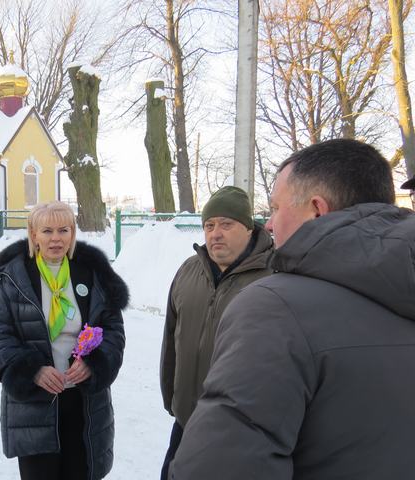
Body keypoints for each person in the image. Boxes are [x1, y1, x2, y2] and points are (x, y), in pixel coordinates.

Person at [170, 138, 415, 479]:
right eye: (209, 225)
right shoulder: (400, 285)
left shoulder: (274, 305)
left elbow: (222, 464)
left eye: (275, 209)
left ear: (317, 210)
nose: (269, 224)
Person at [0, 201, 127, 480]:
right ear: (33, 234)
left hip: (83, 401)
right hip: (34, 404)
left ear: (73, 233)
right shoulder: (16, 276)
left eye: (64, 230)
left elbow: (113, 329)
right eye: (47, 231)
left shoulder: (91, 272)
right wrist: (32, 370)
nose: (56, 238)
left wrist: (94, 364)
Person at [159, 186, 274, 479]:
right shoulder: (188, 271)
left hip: (241, 434)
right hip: (186, 423)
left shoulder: (274, 277)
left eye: (226, 224)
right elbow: (171, 339)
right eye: (209, 226)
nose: (215, 234)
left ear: (248, 228)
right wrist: (172, 399)